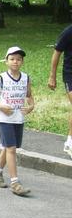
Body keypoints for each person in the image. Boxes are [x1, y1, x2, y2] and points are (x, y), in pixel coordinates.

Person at [0, 46, 34, 196]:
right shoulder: (1, 78)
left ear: (22, 62)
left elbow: (29, 95)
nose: (15, 62)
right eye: (12, 59)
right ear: (6, 61)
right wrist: (0, 106)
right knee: (11, 149)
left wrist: (31, 106)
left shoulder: (26, 78)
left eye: (19, 59)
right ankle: (15, 183)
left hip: (18, 118)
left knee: (8, 148)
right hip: (5, 119)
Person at [48, 24, 72, 158]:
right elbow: (57, 52)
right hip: (70, 75)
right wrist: (52, 76)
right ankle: (69, 143)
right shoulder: (68, 31)